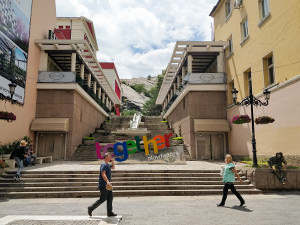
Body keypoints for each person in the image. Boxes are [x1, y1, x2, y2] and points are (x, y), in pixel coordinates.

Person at [88, 152, 117, 217]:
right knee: (103, 198)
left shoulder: (107, 165)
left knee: (110, 197)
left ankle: (109, 212)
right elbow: (103, 174)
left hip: (107, 185)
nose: (110, 158)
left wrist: (112, 161)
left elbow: (113, 167)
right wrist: (107, 181)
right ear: (106, 157)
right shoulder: (104, 165)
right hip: (104, 185)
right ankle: (91, 208)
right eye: (109, 157)